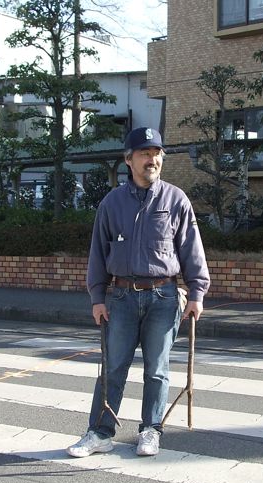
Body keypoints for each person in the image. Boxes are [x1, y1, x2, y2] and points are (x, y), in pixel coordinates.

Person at [67, 127, 210, 458]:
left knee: (157, 370)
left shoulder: (176, 200)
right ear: (129, 160)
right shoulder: (111, 203)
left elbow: (192, 250)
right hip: (121, 297)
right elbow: (98, 254)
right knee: (113, 368)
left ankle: (150, 430)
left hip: (164, 297)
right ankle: (100, 433)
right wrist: (97, 298)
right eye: (145, 153)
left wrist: (197, 293)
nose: (152, 159)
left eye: (157, 153)